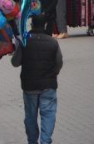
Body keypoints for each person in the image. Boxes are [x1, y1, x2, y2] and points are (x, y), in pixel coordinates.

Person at [11, 14, 63, 144]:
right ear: (45, 25)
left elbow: (15, 62)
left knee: (30, 117)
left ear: (32, 24)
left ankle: (32, 141)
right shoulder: (53, 42)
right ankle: (45, 141)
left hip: (29, 86)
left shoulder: (25, 41)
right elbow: (59, 63)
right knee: (48, 114)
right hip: (49, 85)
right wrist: (53, 73)